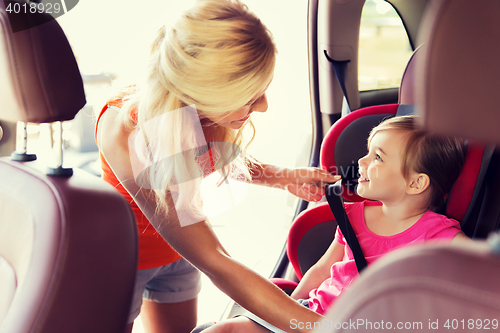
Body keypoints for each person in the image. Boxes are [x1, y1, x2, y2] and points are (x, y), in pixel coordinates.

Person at [95, 1, 339, 333]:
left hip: (177, 255)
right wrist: (325, 328)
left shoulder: (202, 112)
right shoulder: (127, 129)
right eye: (251, 98)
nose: (263, 107)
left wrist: (283, 177)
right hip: (124, 260)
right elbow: (216, 260)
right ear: (205, 91)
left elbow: (211, 158)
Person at [202, 115, 470, 332]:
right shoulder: (353, 215)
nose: (361, 162)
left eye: (377, 157)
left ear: (416, 183)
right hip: (310, 316)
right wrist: (288, 308)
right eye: (368, 152)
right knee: (223, 330)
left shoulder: (438, 235)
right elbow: (321, 271)